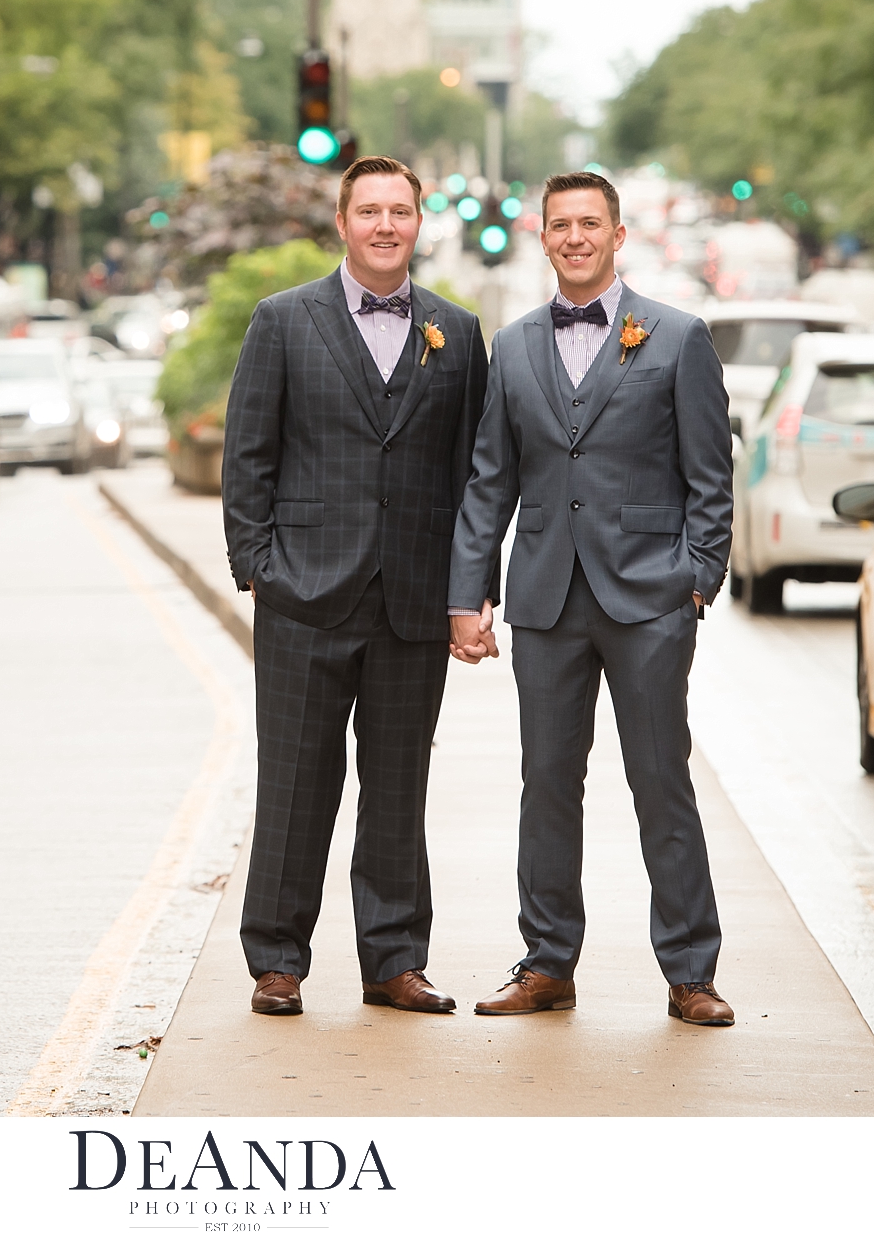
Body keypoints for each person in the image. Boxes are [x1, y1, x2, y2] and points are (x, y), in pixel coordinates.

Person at [447, 170, 736, 1027]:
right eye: (560, 225)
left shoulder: (679, 338)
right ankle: (547, 963)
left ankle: (690, 970)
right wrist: (472, 594)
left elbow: (709, 481)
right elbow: (488, 481)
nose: (575, 237)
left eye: (590, 224)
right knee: (547, 784)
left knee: (660, 782)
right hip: (545, 600)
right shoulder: (516, 345)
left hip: (649, 599)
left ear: (618, 236)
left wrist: (696, 582)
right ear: (543, 237)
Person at [221, 155, 489, 1017]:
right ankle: (278, 959)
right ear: (342, 223)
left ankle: (394, 961)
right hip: (304, 595)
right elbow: (247, 456)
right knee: (296, 782)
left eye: (399, 211)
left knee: (399, 786)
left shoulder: (458, 331)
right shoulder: (283, 320)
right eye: (368, 211)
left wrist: (465, 590)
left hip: (410, 599)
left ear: (419, 223)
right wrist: (259, 566)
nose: (384, 225)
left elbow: (470, 477)